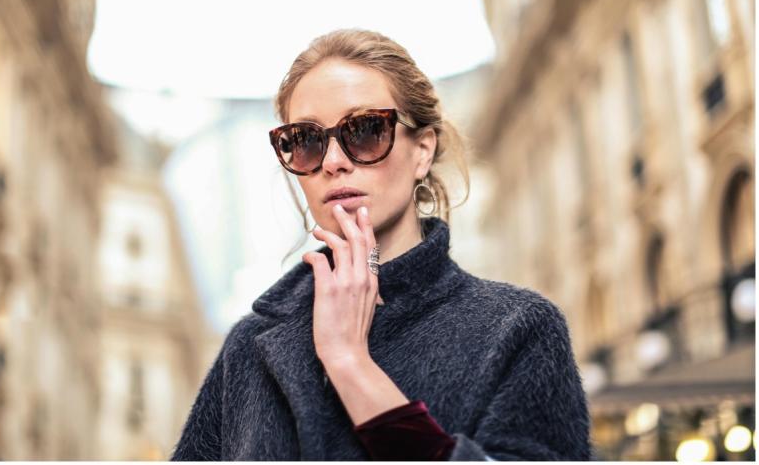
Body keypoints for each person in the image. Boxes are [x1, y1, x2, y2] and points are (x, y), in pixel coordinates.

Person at [170, 29, 593, 461]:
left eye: (366, 130)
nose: (333, 162)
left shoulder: (516, 329)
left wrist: (350, 364)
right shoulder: (250, 346)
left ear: (422, 151)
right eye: (305, 141)